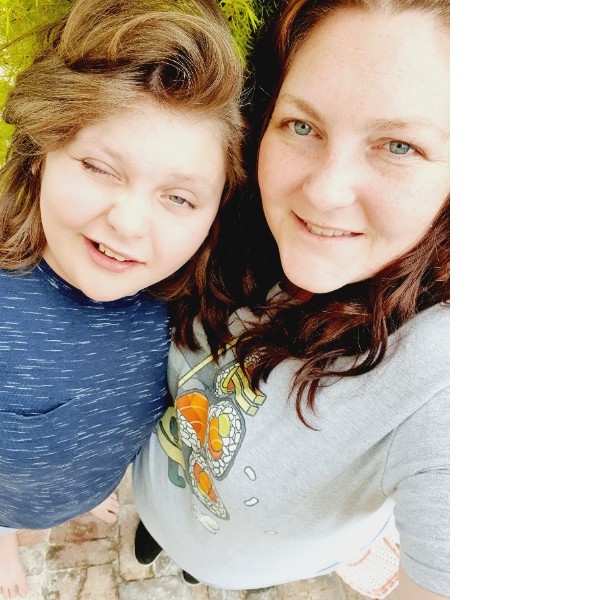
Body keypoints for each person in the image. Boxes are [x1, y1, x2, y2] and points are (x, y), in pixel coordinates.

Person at [133, 0, 449, 598]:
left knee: (202, 563)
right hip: (159, 486)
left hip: (242, 562)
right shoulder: (227, 205)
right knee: (161, 528)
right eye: (302, 126)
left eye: (398, 146)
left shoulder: (443, 378)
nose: (325, 192)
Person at [0, 0, 245, 596]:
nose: (129, 223)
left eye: (179, 198)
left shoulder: (186, 299)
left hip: (91, 481)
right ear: (39, 152)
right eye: (99, 167)